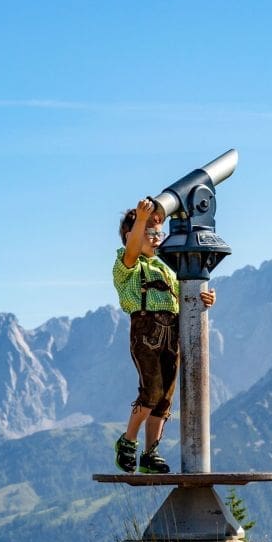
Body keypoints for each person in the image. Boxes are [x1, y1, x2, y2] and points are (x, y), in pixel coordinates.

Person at [112, 197, 216, 473]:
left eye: (159, 233)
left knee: (165, 399)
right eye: (150, 232)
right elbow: (133, 250)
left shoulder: (167, 269)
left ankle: (150, 452)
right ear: (130, 236)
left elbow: (184, 302)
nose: (157, 238)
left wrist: (204, 298)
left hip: (172, 335)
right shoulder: (128, 266)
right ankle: (128, 441)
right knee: (151, 391)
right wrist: (141, 219)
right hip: (145, 333)